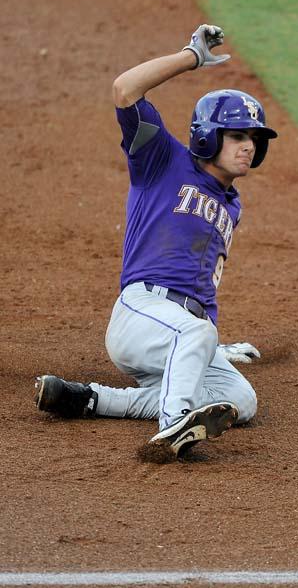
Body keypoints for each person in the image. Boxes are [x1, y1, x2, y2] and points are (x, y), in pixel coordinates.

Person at [34, 24, 277, 460]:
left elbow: (200, 281)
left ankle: (89, 399)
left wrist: (208, 346)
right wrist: (192, 57)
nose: (248, 147)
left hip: (183, 332)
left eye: (253, 140)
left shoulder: (231, 205)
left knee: (241, 400)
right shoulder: (161, 159)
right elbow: (125, 89)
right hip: (140, 315)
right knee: (196, 334)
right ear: (208, 135)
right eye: (238, 136)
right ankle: (172, 427)